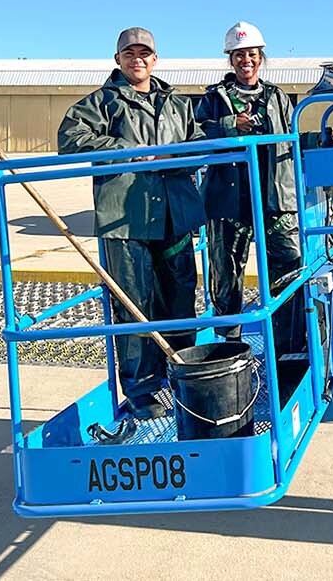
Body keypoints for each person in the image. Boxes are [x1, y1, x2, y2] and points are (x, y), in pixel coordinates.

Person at [57, 27, 203, 419]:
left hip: (174, 216)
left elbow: (199, 141)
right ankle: (143, 390)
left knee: (179, 299)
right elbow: (70, 139)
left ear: (156, 59)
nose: (137, 59)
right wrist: (126, 150)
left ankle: (182, 375)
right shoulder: (102, 103)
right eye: (129, 54)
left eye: (145, 53)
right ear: (118, 59)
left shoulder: (177, 105)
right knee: (134, 306)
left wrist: (182, 157)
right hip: (127, 220)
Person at [194, 21, 305, 356]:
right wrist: (231, 125)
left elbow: (292, 140)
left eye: (252, 55)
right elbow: (195, 136)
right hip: (228, 202)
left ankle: (288, 345)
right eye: (240, 55)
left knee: (287, 270)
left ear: (261, 58)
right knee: (226, 276)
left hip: (273, 201)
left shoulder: (278, 97)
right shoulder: (214, 99)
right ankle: (230, 348)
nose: (247, 61)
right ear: (231, 59)